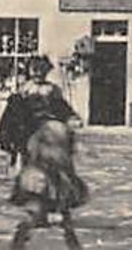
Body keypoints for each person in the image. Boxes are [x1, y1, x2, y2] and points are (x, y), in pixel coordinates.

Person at [7, 55, 90, 249]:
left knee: (58, 168)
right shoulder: (23, 91)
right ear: (28, 70)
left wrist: (72, 118)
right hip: (33, 133)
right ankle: (39, 208)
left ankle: (59, 206)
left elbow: (63, 109)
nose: (37, 73)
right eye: (33, 69)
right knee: (37, 169)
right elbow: (13, 117)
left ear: (46, 71)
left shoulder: (52, 90)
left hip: (54, 130)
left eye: (40, 70)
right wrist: (13, 143)